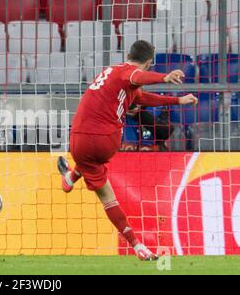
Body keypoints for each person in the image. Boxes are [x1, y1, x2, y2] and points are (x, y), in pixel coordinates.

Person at [58, 40, 198, 261]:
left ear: (129, 54)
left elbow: (143, 97)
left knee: (94, 172)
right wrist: (163, 77)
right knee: (107, 195)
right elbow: (136, 78)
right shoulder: (130, 74)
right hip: (104, 142)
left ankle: (71, 176)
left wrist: (178, 100)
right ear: (149, 62)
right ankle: (137, 245)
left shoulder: (111, 71)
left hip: (79, 139)